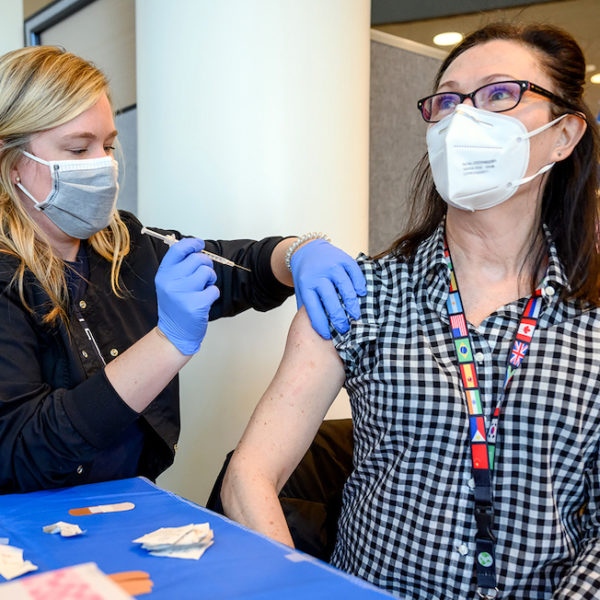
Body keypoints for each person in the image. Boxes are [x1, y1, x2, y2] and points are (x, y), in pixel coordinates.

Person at [221, 23, 600, 599]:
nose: (464, 120)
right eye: (448, 101)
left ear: (564, 134)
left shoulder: (591, 315)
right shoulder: (363, 292)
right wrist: (298, 590)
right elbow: (249, 476)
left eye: (500, 94)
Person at [0, 45, 367, 494]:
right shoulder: (8, 281)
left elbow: (241, 269)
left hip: (129, 504)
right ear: (13, 162)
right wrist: (166, 342)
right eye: (78, 148)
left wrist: (297, 253)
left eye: (109, 145)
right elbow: (22, 452)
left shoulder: (127, 246)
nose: (103, 164)